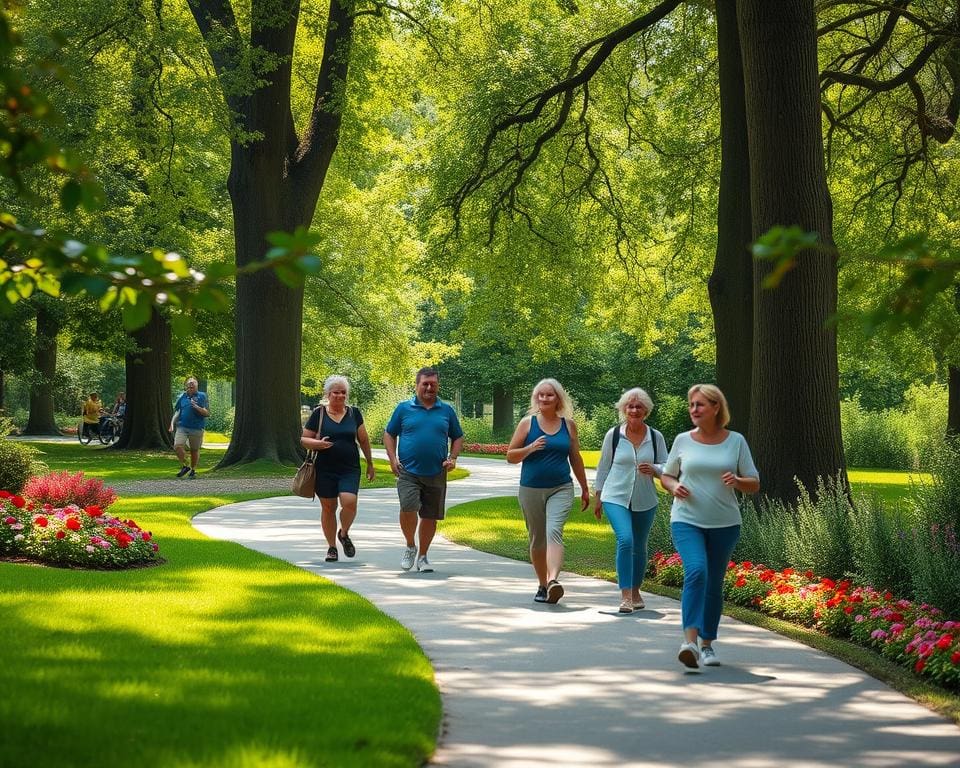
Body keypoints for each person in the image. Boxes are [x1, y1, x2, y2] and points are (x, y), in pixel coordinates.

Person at [659, 384, 760, 669]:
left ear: (716, 407)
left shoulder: (736, 441)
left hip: (725, 523)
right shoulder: (682, 440)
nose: (694, 410)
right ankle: (689, 642)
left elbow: (754, 482)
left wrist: (738, 482)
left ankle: (707, 644)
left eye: (700, 405)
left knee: (713, 583)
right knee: (696, 571)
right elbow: (666, 475)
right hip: (686, 520)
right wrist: (674, 485)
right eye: (691, 405)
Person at [506, 378, 590, 604]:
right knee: (537, 539)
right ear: (536, 398)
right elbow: (510, 456)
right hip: (531, 489)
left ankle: (553, 580)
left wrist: (584, 488)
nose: (544, 398)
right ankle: (542, 585)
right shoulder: (527, 423)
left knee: (554, 530)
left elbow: (576, 458)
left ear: (558, 399)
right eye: (540, 395)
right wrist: (530, 448)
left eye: (549, 395)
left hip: (561, 487)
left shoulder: (568, 425)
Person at [593, 388, 669, 614]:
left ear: (646, 411)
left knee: (639, 546)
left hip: (645, 499)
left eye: (639, 407)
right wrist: (598, 498)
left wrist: (655, 469)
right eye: (630, 406)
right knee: (625, 540)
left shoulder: (655, 437)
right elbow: (603, 467)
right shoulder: (614, 435)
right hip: (614, 496)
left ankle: (636, 592)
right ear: (623, 409)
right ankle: (625, 596)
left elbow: (667, 466)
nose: (634, 410)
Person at [384, 367, 464, 573]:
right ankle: (411, 545)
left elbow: (457, 436)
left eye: (433, 385)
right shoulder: (403, 408)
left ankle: (423, 557)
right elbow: (389, 434)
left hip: (436, 472)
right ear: (417, 385)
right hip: (408, 471)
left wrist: (453, 458)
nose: (429, 388)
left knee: (430, 516)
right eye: (425, 384)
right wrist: (392, 459)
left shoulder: (446, 410)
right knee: (408, 508)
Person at [301, 375, 376, 563]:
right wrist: (318, 444)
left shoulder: (354, 413)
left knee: (349, 502)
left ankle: (343, 533)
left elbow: (364, 439)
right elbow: (303, 439)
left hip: (349, 467)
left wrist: (370, 462)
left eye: (343, 392)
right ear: (328, 394)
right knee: (328, 507)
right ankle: (332, 547)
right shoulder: (318, 414)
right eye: (336, 392)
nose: (340, 396)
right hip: (324, 468)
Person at [169, 377, 210, 478]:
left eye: (193, 383)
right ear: (186, 386)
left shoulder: (202, 396)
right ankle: (185, 465)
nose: (191, 384)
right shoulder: (182, 397)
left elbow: (207, 413)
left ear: (197, 385)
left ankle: (193, 470)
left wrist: (197, 407)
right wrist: (172, 424)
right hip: (182, 427)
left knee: (194, 450)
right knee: (177, 446)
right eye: (189, 383)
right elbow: (178, 412)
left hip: (197, 428)